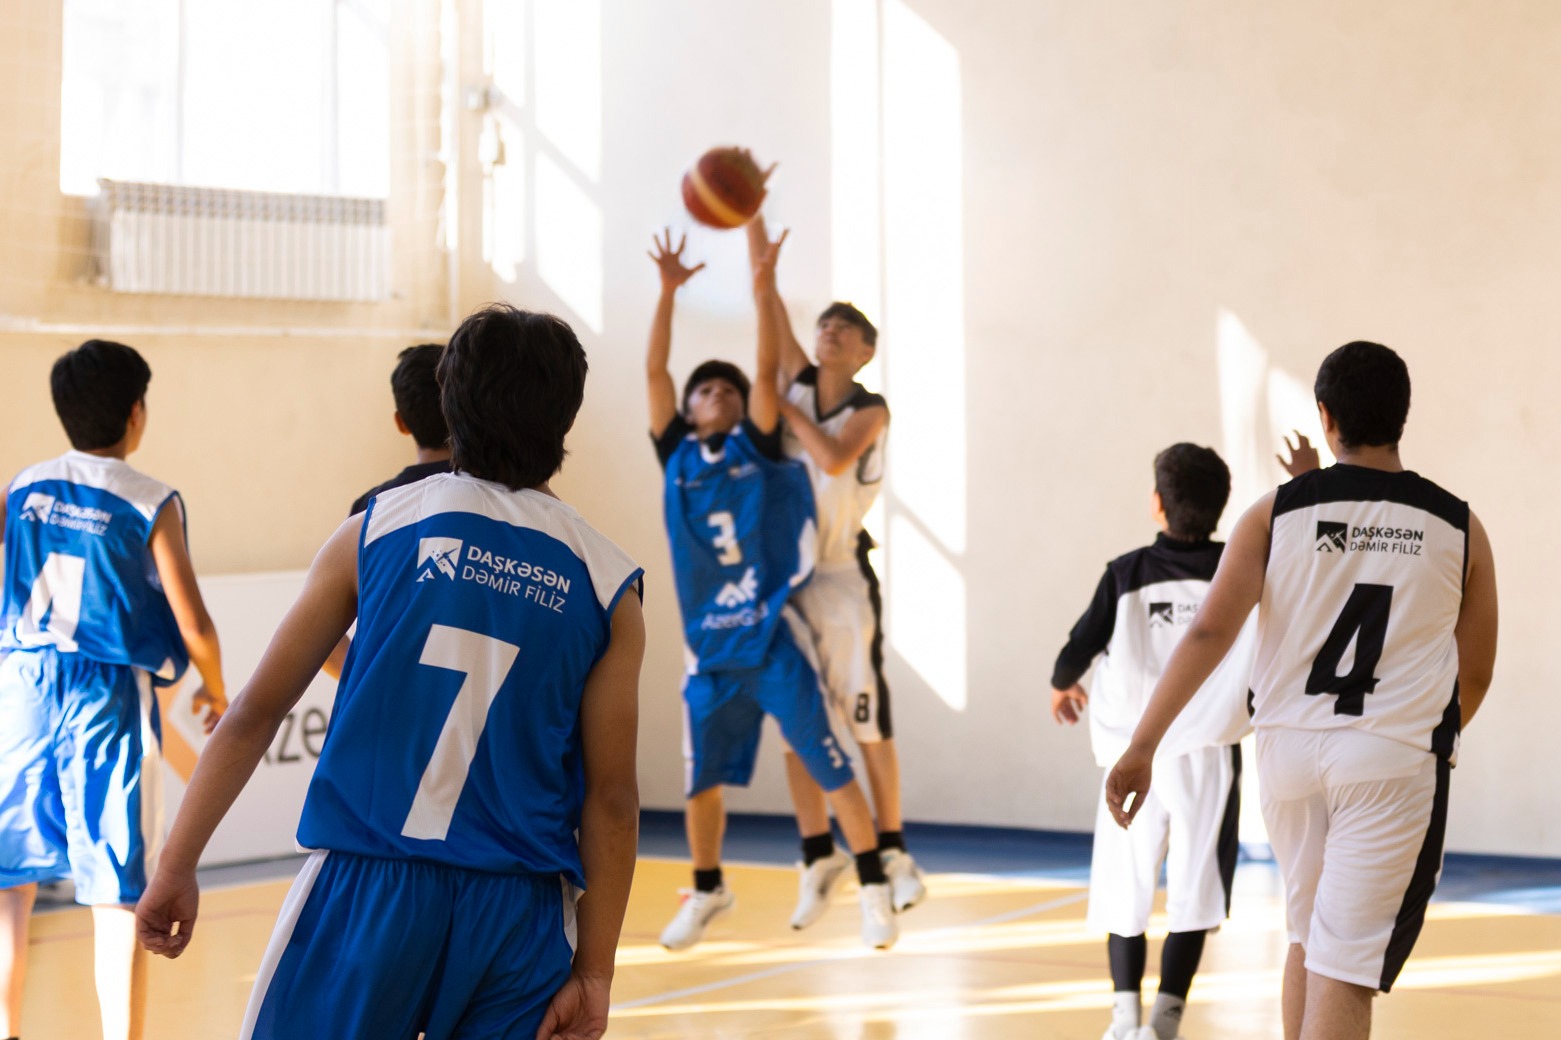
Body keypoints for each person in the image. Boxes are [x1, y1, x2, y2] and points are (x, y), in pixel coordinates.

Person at [134, 305, 645, 1040]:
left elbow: (253, 714)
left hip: (365, 889)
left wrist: (177, 864)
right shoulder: (609, 585)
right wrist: (594, 971)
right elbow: (613, 801)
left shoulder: (374, 529)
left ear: (448, 396)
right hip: (519, 915)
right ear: (567, 417)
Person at [1106, 342, 1499, 1040]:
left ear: (1323, 416)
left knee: (1306, 936)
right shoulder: (1459, 525)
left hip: (1285, 758)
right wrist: (1415, 740)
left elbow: (1206, 634)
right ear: (1402, 416)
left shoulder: (1274, 511)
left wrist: (1141, 745)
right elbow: (1473, 674)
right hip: (1388, 761)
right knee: (1344, 969)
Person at [645, 228, 896, 951]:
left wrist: (763, 283)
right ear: (689, 409)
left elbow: (764, 367)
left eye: (727, 387)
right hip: (709, 647)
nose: (716, 392)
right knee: (700, 785)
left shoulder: (757, 442)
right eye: (705, 389)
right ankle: (707, 888)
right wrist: (665, 293)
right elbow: (656, 372)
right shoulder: (674, 453)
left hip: (770, 634)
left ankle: (872, 886)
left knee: (827, 759)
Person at [0, 339, 226, 1040]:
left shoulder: (23, 486)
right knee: (115, 891)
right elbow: (192, 620)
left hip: (22, 685)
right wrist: (215, 691)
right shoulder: (147, 499)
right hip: (105, 694)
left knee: (9, 882)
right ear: (137, 415)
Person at [743, 216, 926, 929]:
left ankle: (893, 848)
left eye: (842, 333)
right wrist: (755, 232)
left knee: (865, 723)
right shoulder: (797, 381)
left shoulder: (868, 409)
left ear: (864, 353)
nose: (827, 335)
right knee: (795, 725)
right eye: (823, 328)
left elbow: (831, 459)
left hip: (844, 581)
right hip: (789, 582)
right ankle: (816, 850)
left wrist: (786, 400)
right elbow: (771, 309)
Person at [1050, 444, 1253, 1040]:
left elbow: (1074, 651)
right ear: (1221, 508)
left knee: (1125, 887)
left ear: (1157, 504)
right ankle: (1165, 1021)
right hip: (1208, 758)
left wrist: (1062, 687)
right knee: (1195, 890)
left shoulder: (1125, 573)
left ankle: (1123, 1020)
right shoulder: (1237, 571)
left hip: (1129, 756)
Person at [324, 342, 453, 679]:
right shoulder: (498, 505)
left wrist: (368, 688)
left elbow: (326, 640)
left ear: (401, 423)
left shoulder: (369, 509)